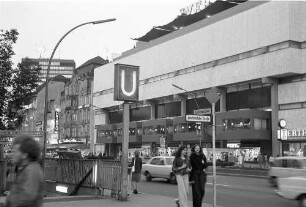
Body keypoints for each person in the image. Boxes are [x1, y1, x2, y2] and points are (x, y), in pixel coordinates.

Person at [0, 134, 44, 207]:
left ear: (24, 155)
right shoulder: (25, 168)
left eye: (15, 151)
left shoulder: (32, 170)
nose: (12, 154)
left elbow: (27, 196)